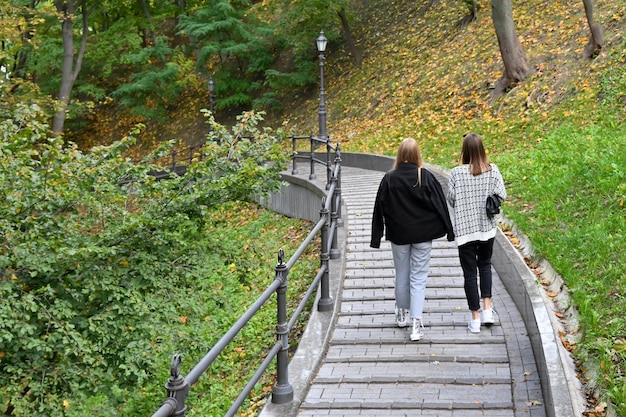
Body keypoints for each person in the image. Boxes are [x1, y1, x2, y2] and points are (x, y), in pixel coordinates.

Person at [370, 138, 455, 341]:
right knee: (419, 277)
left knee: (401, 274)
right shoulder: (425, 176)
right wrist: (449, 231)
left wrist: (376, 236)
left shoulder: (389, 179)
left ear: (399, 155)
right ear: (418, 155)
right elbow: (441, 205)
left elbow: (378, 209)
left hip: (399, 235)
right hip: (423, 235)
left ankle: (401, 314)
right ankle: (416, 324)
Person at [446, 133, 507, 333]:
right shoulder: (493, 170)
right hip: (486, 229)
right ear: (482, 150)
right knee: (485, 266)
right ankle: (488, 309)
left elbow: (452, 199)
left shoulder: (456, 173)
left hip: (465, 231)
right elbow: (502, 195)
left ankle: (475, 319)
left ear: (464, 150)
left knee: (470, 273)